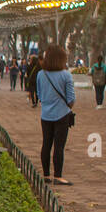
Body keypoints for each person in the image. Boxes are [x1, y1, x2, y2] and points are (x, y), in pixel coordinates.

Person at [36, 43, 75, 185]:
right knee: (59, 146)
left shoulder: (41, 74)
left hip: (45, 115)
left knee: (46, 143)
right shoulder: (66, 75)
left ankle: (46, 175)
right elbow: (71, 98)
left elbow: (39, 95)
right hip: (62, 114)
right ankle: (58, 176)